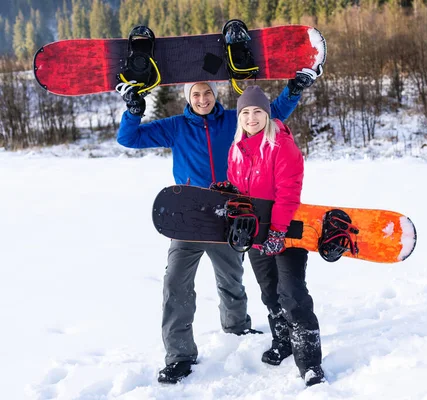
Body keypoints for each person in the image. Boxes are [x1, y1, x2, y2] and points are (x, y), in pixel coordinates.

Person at [115, 67, 322, 384]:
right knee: (175, 284)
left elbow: (270, 112)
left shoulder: (234, 121)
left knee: (232, 280)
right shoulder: (176, 127)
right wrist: (133, 111)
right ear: (188, 98)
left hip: (231, 216)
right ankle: (180, 356)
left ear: (216, 95)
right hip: (188, 219)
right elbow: (128, 138)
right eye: (195, 94)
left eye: (207, 92)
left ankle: (237, 329)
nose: (202, 99)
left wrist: (293, 90)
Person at [224, 86, 325, 386]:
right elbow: (241, 192)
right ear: (239, 117)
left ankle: (310, 362)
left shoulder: (281, 145)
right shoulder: (236, 150)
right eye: (245, 112)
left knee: (292, 294)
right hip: (257, 234)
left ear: (267, 115)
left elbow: (288, 193)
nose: (251, 118)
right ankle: (283, 343)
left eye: (257, 112)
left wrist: (279, 232)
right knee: (269, 292)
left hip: (289, 231)